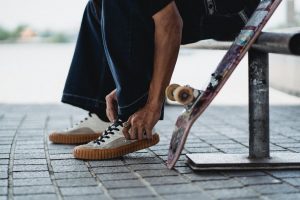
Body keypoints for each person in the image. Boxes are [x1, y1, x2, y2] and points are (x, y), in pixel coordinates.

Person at [49, 0, 260, 160]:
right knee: (97, 4)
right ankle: (103, 114)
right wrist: (127, 83)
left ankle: (132, 118)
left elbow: (170, 23)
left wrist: (152, 104)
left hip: (233, 12)